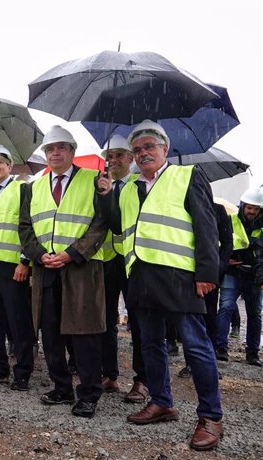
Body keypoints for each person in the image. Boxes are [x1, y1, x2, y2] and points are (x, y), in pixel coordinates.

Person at [99, 119, 223, 451]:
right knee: (150, 344)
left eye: (149, 147)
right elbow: (116, 226)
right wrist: (107, 194)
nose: (143, 154)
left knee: (196, 347)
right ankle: (162, 401)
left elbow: (206, 227)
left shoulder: (186, 176)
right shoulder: (128, 188)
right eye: (137, 150)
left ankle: (211, 416)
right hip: (140, 277)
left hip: (179, 277)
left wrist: (207, 273)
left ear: (165, 149)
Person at [19, 125, 108, 418]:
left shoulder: (94, 181)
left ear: (72, 151)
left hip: (81, 269)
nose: (55, 153)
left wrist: (71, 254)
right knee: (50, 332)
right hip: (46, 269)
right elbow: (25, 228)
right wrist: (39, 255)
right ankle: (61, 387)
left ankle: (89, 393)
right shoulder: (33, 188)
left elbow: (100, 225)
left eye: (61, 148)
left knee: (84, 334)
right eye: (50, 149)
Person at [0, 145, 35, 391]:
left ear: (10, 166)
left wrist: (25, 260)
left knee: (18, 321)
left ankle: (22, 372)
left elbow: (30, 225)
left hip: (12, 266)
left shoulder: (22, 189)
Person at [97, 135, 150, 403]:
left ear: (131, 158)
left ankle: (142, 380)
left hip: (132, 261)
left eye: (120, 155)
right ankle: (110, 374)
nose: (114, 160)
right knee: (105, 321)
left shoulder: (139, 185)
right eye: (111, 155)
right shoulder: (101, 184)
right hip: (106, 260)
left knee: (139, 321)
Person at [178, 200, 232, 378]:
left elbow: (227, 242)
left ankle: (210, 364)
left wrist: (219, 267)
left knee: (209, 317)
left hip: (209, 273)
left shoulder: (217, 210)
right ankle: (190, 363)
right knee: (188, 318)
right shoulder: (181, 206)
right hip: (185, 270)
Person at [214, 186, 263, 366]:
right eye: (249, 207)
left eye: (256, 209)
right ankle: (220, 348)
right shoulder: (231, 220)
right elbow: (220, 242)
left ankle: (252, 353)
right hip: (233, 272)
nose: (252, 212)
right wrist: (225, 261)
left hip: (254, 275)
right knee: (226, 307)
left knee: (255, 313)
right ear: (243, 206)